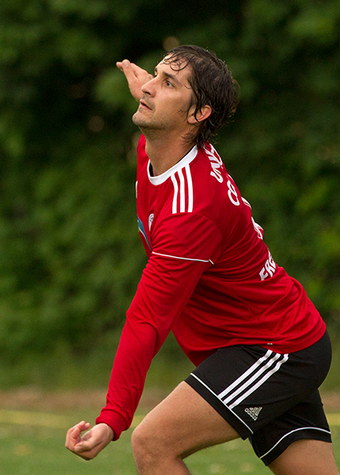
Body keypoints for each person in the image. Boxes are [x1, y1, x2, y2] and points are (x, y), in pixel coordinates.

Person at [65, 45, 339, 474]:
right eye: (154, 76)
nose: (151, 86)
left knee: (153, 444)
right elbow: (161, 116)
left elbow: (147, 320)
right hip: (279, 339)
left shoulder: (191, 211)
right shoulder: (156, 148)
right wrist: (153, 91)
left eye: (169, 83)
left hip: (273, 348)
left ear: (198, 114)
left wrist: (113, 417)